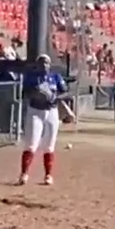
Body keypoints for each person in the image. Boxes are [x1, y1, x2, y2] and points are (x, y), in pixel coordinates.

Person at [18, 54, 73, 186]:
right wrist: (35, 93)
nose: (44, 65)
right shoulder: (32, 78)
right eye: (42, 62)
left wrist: (56, 97)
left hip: (51, 111)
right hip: (35, 111)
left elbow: (66, 92)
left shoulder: (55, 77)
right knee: (31, 144)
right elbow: (24, 93)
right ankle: (24, 173)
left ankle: (48, 174)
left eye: (47, 63)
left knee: (49, 145)